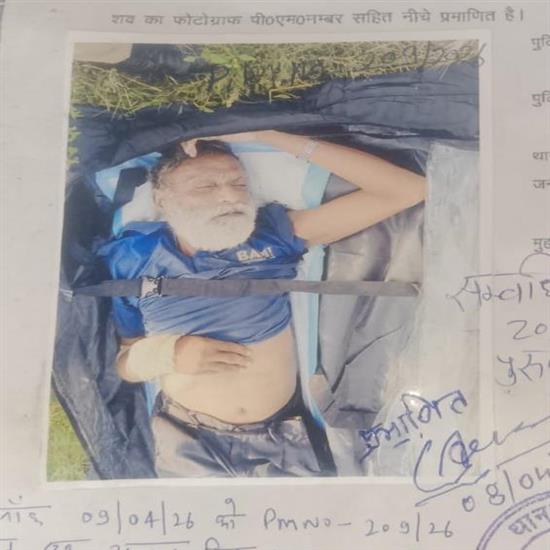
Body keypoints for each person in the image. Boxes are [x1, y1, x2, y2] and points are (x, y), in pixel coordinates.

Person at [100, 129, 426, 478]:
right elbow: (124, 361)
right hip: (187, 439)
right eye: (205, 187)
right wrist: (170, 354)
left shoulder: (273, 235)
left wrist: (266, 135)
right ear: (162, 199)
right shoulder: (132, 257)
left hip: (288, 436)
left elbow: (408, 190)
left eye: (240, 184)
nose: (229, 196)